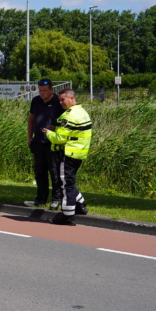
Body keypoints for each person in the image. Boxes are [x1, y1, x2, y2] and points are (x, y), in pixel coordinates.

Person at [43, 89, 92, 226]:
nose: (60, 102)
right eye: (59, 100)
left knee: (66, 185)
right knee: (68, 181)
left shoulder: (68, 116)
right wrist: (56, 129)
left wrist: (48, 133)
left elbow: (59, 139)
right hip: (79, 152)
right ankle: (80, 204)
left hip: (68, 153)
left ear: (72, 98)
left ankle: (68, 216)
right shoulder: (82, 112)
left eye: (63, 100)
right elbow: (72, 132)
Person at [24, 79, 65, 209]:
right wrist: (30, 137)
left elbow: (66, 122)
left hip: (52, 142)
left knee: (54, 172)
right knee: (40, 172)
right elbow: (31, 119)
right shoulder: (35, 101)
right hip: (38, 142)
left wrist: (56, 128)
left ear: (51, 90)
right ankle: (40, 199)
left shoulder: (58, 102)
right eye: (40, 90)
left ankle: (56, 199)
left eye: (44, 91)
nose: (42, 93)